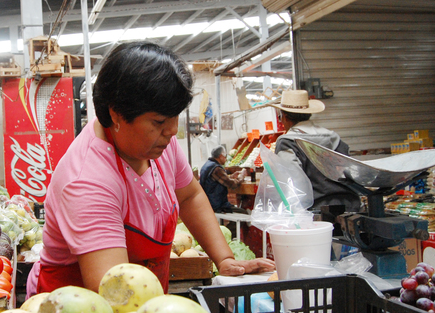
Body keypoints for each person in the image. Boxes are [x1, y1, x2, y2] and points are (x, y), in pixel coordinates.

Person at [26, 42, 274, 297]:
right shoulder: (87, 181)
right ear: (116, 114)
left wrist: (224, 259)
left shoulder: (159, 144)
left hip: (139, 304)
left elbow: (189, 196)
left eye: (175, 117)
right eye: (159, 121)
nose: (171, 131)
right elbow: (114, 293)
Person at [272, 90, 361, 212]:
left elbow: (291, 183)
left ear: (285, 117)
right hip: (350, 205)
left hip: (317, 210)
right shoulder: (333, 137)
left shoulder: (288, 142)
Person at [200, 145, 248, 213]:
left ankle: (230, 223)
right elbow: (233, 185)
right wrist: (242, 176)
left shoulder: (207, 165)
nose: (226, 159)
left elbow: (218, 180)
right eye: (225, 157)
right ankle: (231, 224)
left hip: (208, 202)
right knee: (244, 213)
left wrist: (231, 176)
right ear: (220, 156)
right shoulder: (216, 169)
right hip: (216, 205)